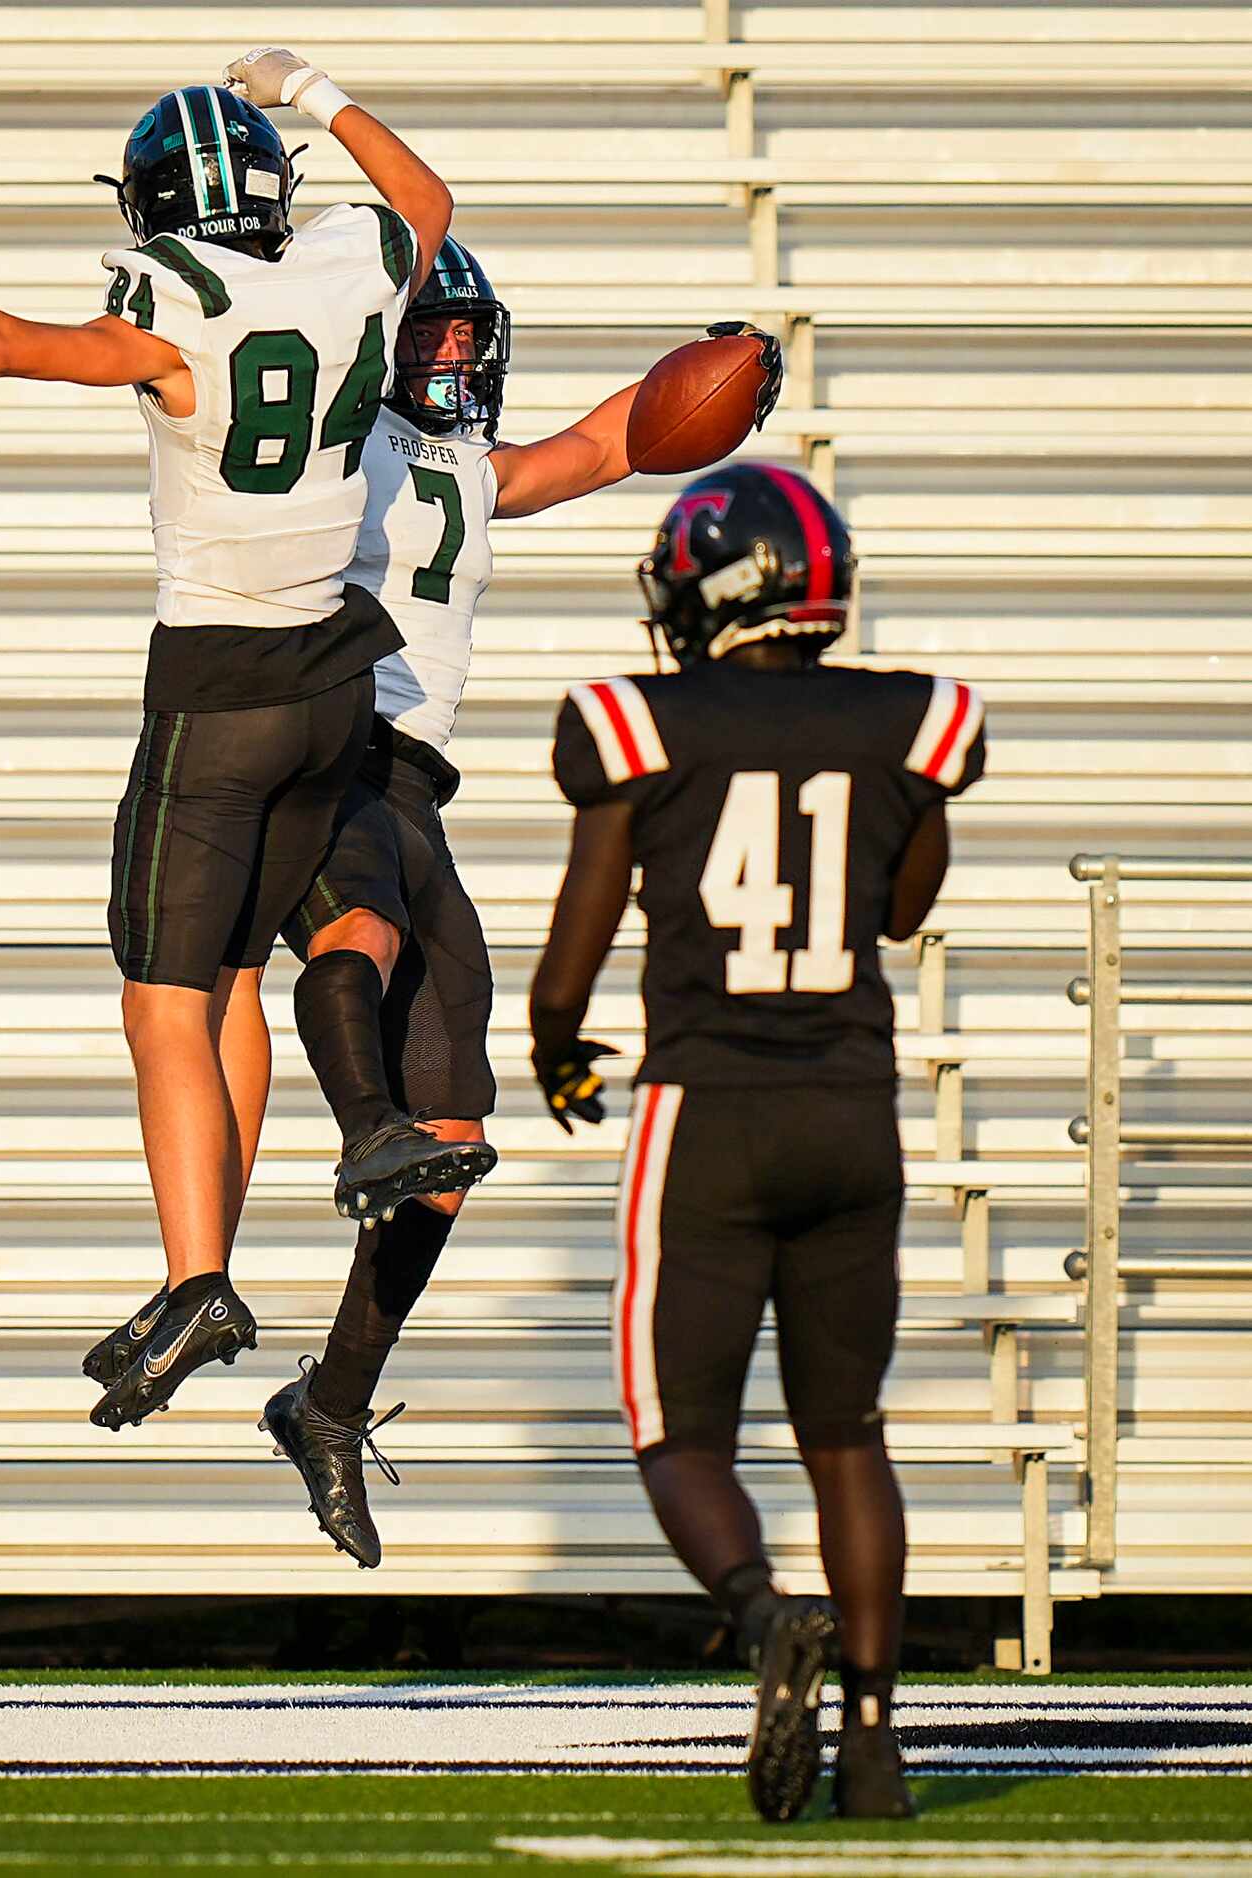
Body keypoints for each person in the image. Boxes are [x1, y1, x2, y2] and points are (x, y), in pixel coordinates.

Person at [0, 48, 460, 1428]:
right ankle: (208, 1271)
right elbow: (424, 197)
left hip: (221, 689)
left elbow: (16, 346)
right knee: (238, 972)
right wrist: (313, 88)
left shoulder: (174, 305)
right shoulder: (358, 259)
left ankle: (200, 1279)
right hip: (336, 680)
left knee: (163, 994)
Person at [87, 244, 783, 1571]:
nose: (453, 364)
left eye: (469, 341)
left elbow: (616, 442)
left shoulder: (473, 468)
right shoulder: (322, 454)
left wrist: (732, 372)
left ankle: (330, 1401)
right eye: (432, 340)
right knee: (361, 930)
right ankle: (358, 1133)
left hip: (416, 785)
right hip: (321, 743)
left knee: (457, 1134)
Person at [529, 463, 985, 1822]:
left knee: (681, 1433)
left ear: (709, 586)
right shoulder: (911, 719)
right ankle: (877, 1740)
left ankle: (758, 1606)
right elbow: (904, 906)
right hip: (853, 1104)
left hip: (708, 1108)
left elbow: (580, 937)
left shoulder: (636, 722)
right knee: (849, 1434)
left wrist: (557, 1045)